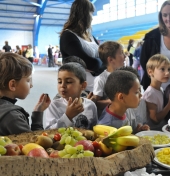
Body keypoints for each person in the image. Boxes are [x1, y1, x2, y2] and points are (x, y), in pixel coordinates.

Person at [0, 52, 51, 136]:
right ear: (12, 85)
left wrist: (38, 111)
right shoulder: (12, 117)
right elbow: (34, 145)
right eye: (28, 80)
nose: (31, 85)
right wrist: (37, 117)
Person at [45, 62, 98, 130]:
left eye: (69, 82)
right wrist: (68, 116)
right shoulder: (54, 105)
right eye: (59, 82)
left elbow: (94, 130)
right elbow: (49, 132)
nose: (62, 85)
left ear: (83, 85)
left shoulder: (91, 105)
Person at [59, 0, 103, 75]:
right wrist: (101, 62)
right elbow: (91, 64)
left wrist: (100, 63)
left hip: (97, 84)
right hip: (80, 85)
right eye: (91, 13)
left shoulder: (90, 36)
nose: (92, 18)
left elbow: (105, 59)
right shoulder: (68, 36)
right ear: (83, 14)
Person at [89, 41, 125, 115]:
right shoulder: (101, 79)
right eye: (121, 53)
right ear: (111, 59)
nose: (124, 56)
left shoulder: (124, 75)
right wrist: (111, 102)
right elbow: (95, 103)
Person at [140, 0, 170, 91]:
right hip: (156, 90)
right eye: (165, 15)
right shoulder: (151, 37)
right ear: (161, 17)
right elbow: (144, 62)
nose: (168, 18)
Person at [142, 54, 170, 130]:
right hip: (155, 130)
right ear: (150, 72)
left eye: (169, 69)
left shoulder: (159, 89)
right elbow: (155, 120)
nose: (167, 73)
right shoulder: (150, 93)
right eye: (162, 69)